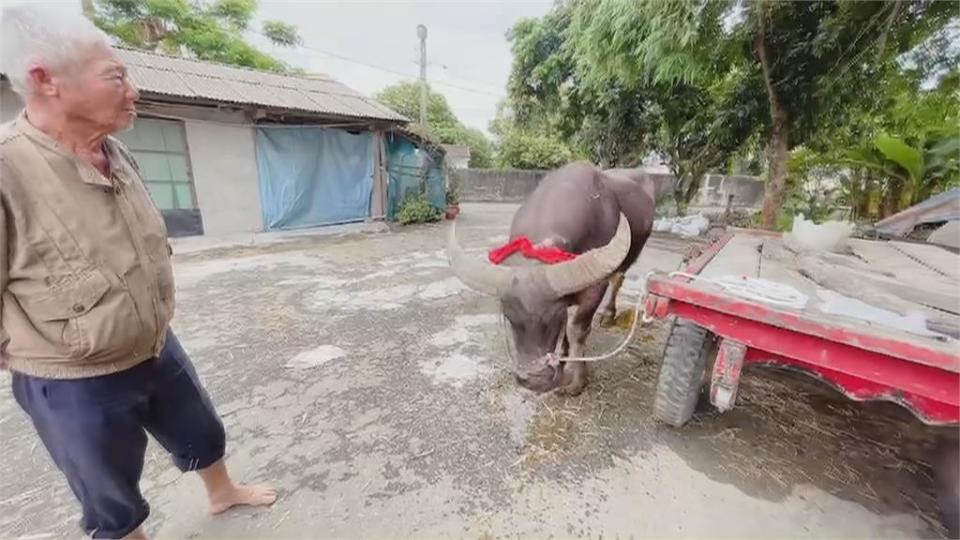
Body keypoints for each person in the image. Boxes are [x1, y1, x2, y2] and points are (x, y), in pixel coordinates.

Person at [0, 6, 276, 539]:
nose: (134, 89)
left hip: (151, 340)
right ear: (44, 80)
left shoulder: (114, 151)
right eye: (117, 76)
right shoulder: (8, 168)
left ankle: (222, 493)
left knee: (198, 425)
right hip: (71, 372)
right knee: (107, 485)